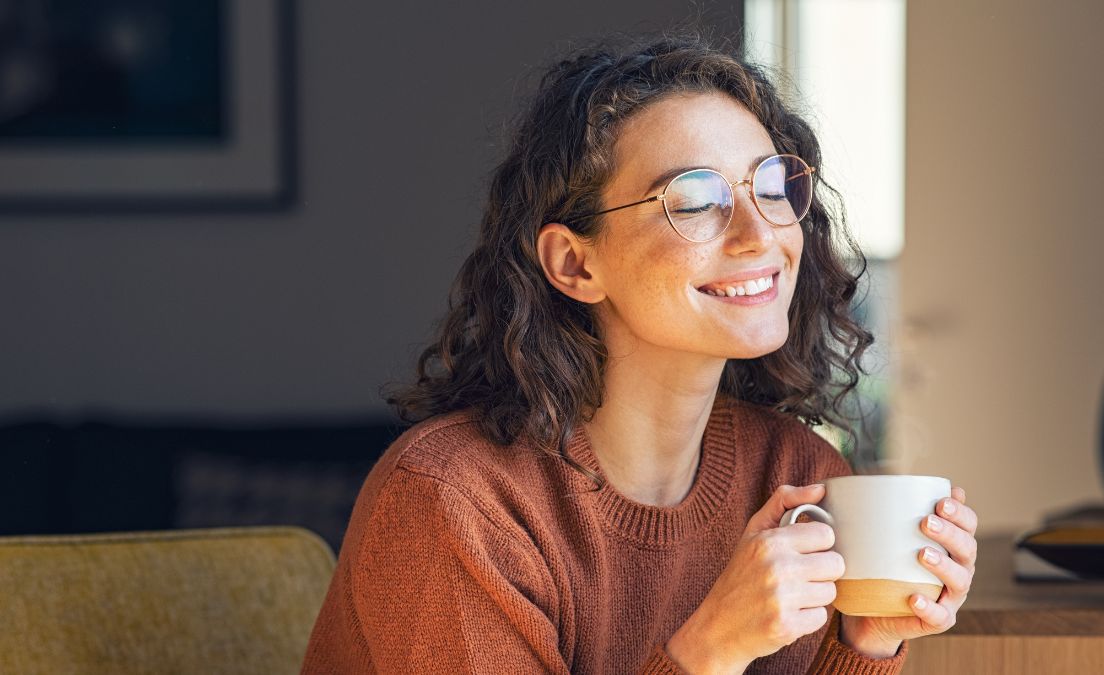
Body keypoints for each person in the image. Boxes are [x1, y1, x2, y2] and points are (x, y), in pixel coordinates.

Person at [302, 31, 979, 674]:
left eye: (770, 187)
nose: (759, 234)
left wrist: (867, 640)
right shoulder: (455, 503)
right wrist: (711, 647)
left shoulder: (794, 472)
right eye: (694, 200)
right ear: (574, 263)